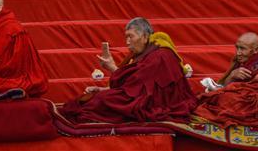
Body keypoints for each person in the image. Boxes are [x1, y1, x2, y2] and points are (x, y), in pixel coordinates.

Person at [58, 17, 197, 124]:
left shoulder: (160, 55)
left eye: (131, 36)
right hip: (144, 98)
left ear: (144, 36)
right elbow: (133, 85)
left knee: (100, 102)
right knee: (98, 98)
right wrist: (103, 89)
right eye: (126, 37)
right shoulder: (144, 52)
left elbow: (137, 90)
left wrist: (112, 68)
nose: (127, 42)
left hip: (156, 103)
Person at [192, 33, 258, 127]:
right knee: (223, 98)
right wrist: (232, 75)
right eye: (237, 48)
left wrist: (233, 89)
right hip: (244, 96)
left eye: (242, 49)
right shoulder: (241, 60)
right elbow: (224, 85)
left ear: (255, 50)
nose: (238, 53)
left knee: (226, 99)